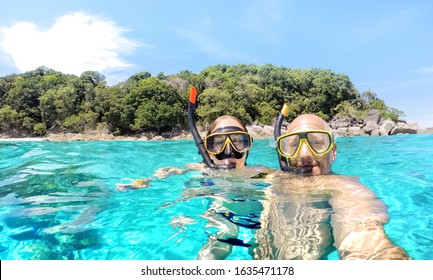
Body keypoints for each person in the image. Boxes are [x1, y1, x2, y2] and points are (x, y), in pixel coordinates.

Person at [253, 112, 411, 260]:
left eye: (316, 142)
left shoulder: (343, 187)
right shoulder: (273, 176)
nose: (304, 154)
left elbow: (364, 239)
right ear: (283, 153)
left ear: (333, 151)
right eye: (293, 145)